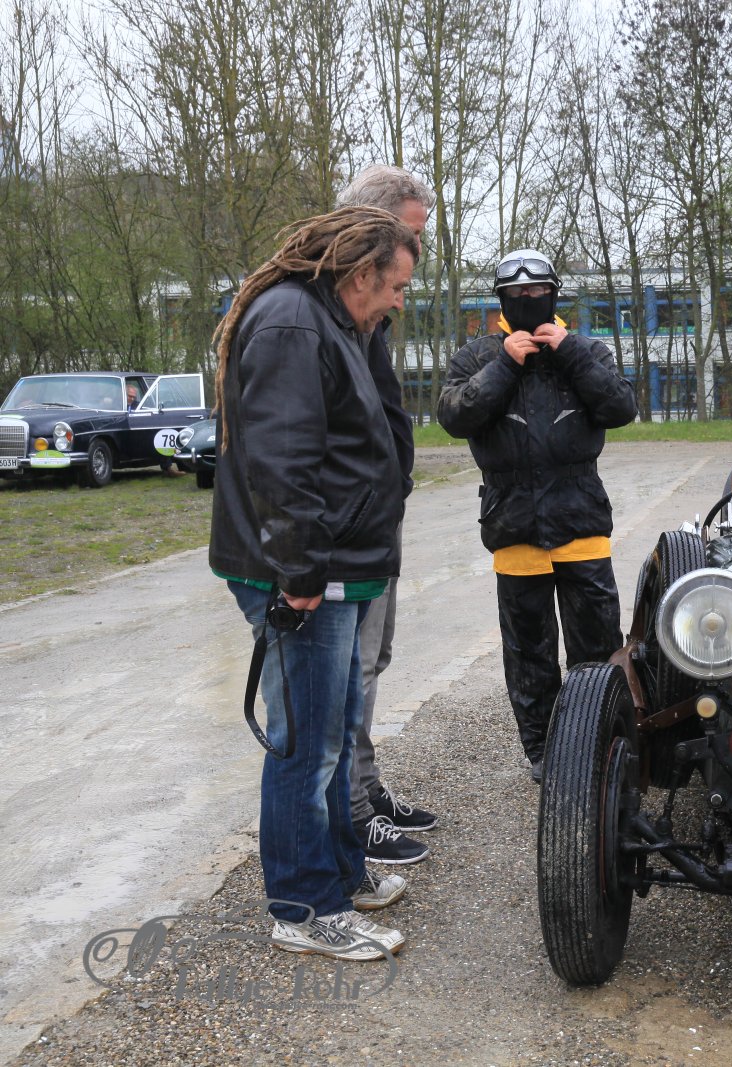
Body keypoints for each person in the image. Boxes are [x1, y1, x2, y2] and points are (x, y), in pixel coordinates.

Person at [210, 206, 419, 960]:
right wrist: (299, 568)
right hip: (305, 573)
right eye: (395, 286)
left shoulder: (331, 319)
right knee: (307, 743)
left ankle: (338, 874)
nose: (399, 301)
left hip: (335, 565)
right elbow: (283, 457)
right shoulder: (294, 322)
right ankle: (303, 907)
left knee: (332, 728)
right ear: (361, 273)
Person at [437, 249, 637, 781]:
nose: (529, 300)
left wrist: (569, 352)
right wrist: (506, 362)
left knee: (597, 648)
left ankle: (602, 745)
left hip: (581, 523)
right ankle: (544, 753)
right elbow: (455, 417)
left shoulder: (587, 349)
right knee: (529, 655)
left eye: (538, 292)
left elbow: (621, 408)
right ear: (501, 300)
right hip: (514, 526)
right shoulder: (477, 356)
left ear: (554, 295)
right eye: (517, 295)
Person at [333, 164, 438, 865]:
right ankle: (351, 809)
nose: (416, 250)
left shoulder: (371, 312)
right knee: (354, 668)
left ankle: (365, 788)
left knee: (375, 657)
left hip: (378, 511)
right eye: (409, 232)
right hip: (351, 521)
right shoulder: (331, 309)